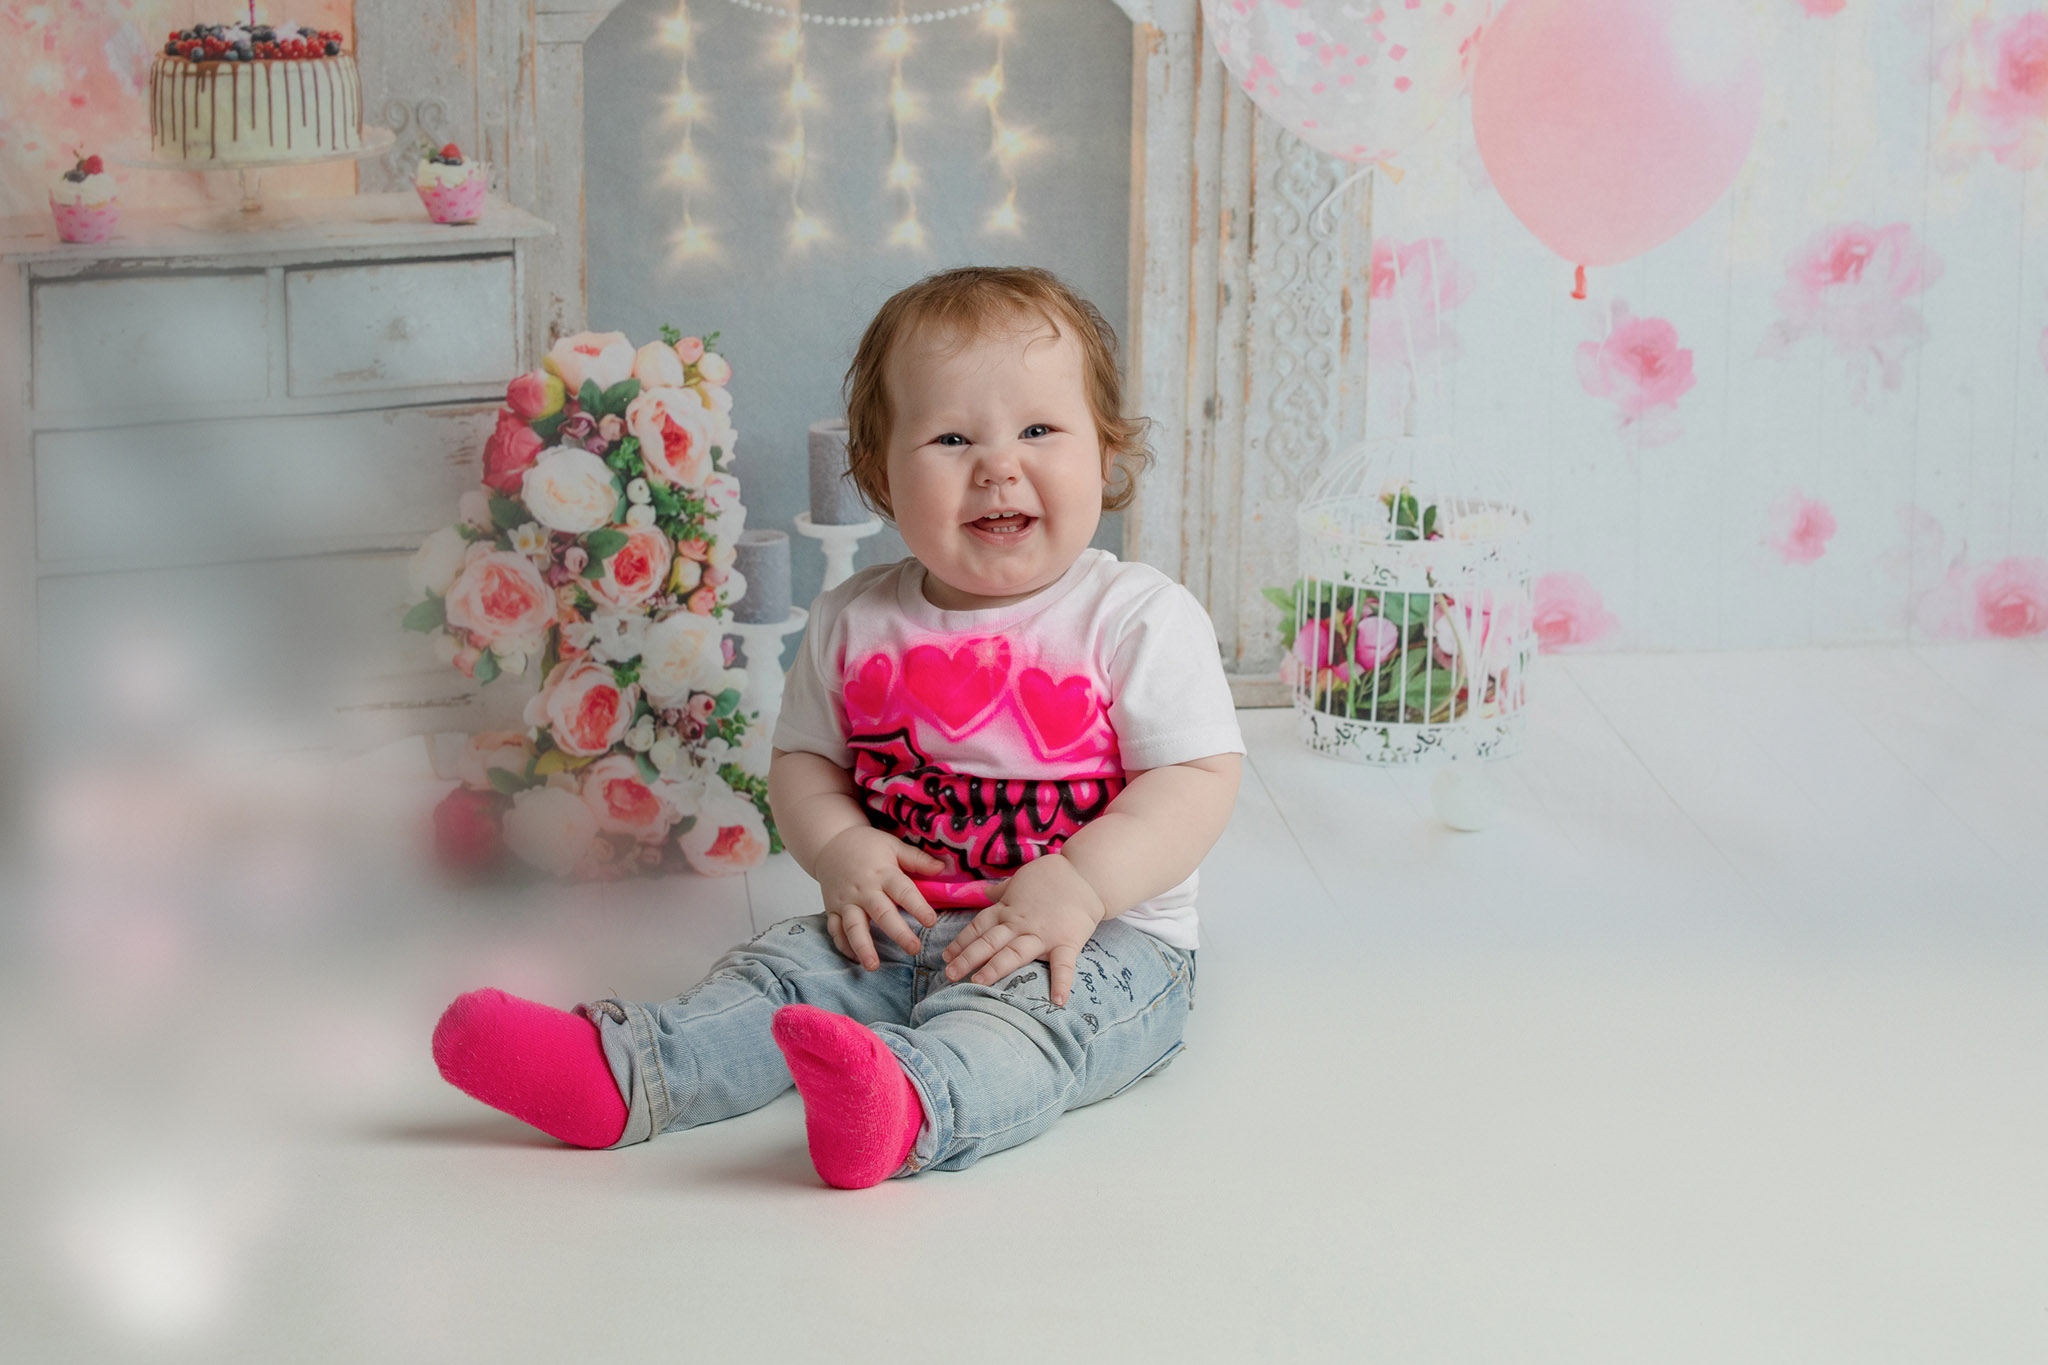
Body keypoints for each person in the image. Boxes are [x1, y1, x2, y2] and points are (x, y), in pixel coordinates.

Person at [431, 266, 1244, 1188]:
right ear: (879, 477)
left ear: (1106, 452)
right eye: (949, 437)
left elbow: (1197, 781)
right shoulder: (855, 618)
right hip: (899, 920)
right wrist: (842, 847)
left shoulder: (1136, 615)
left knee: (1025, 1029)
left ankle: (904, 1104)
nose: (997, 465)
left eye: (1039, 430)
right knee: (778, 974)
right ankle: (625, 1073)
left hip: (1095, 941)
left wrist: (1085, 885)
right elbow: (804, 766)